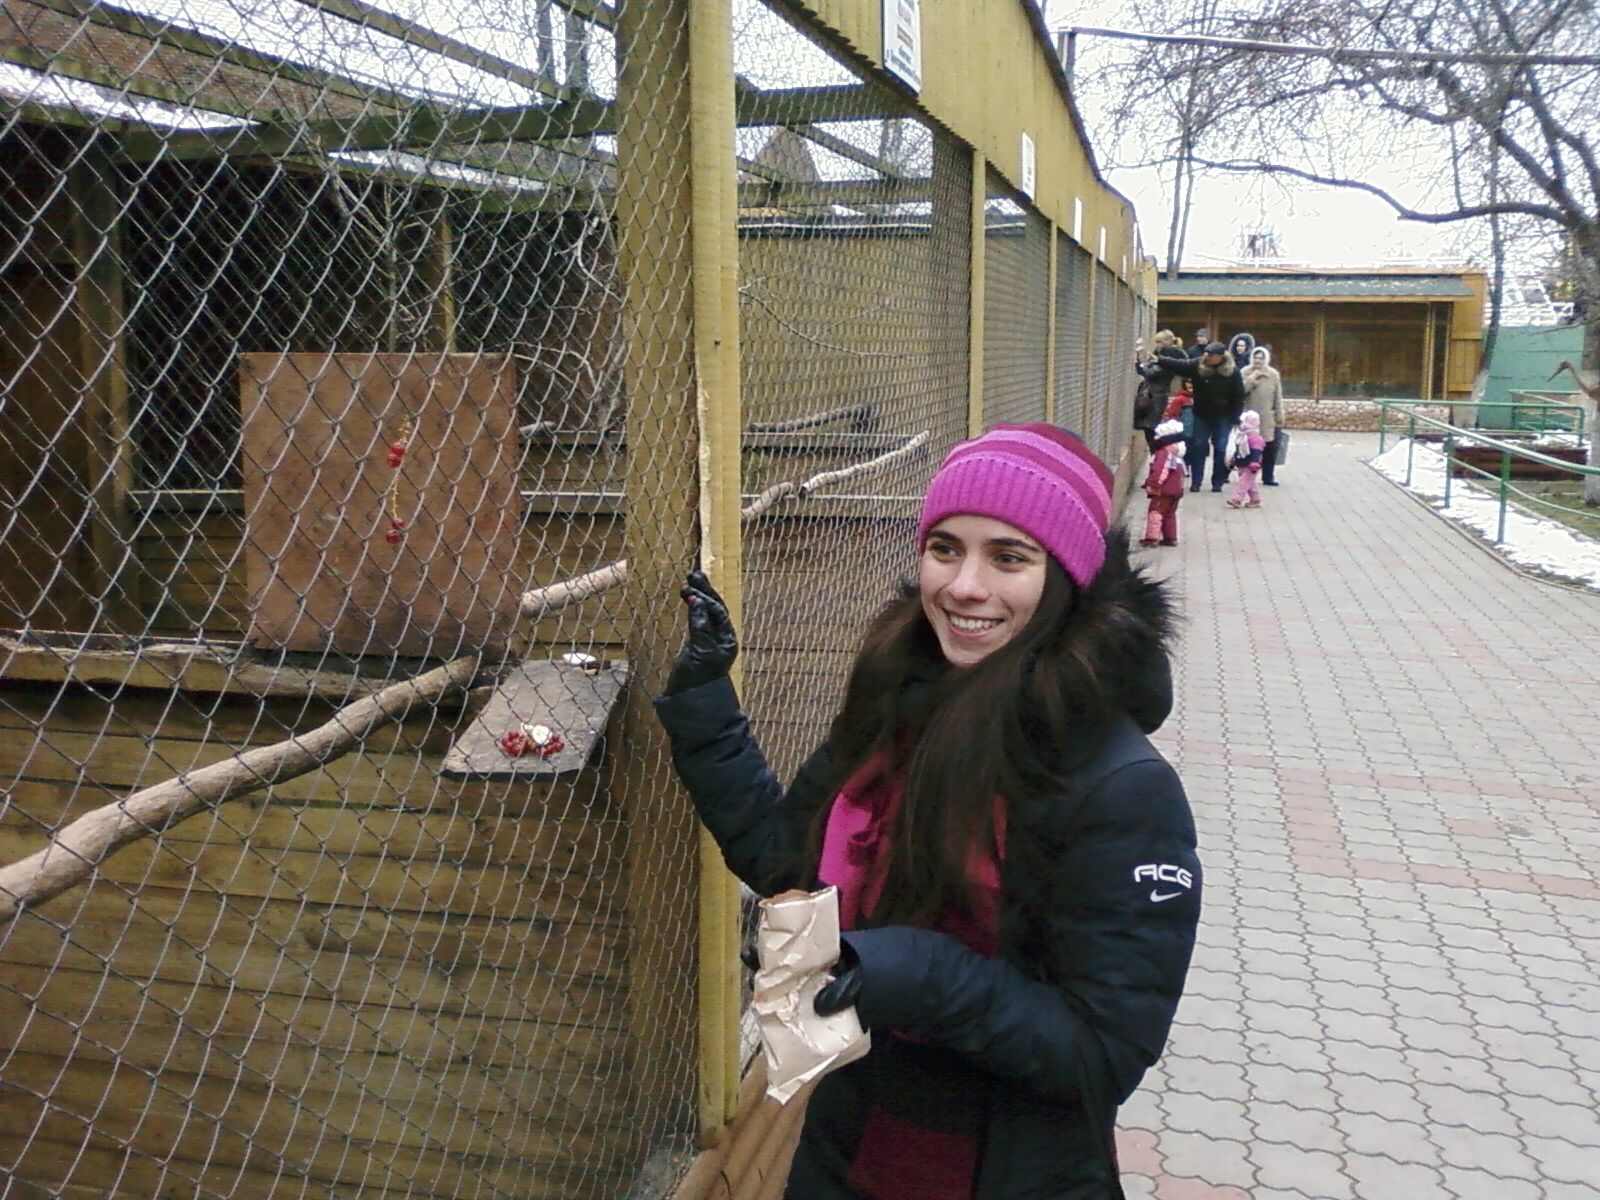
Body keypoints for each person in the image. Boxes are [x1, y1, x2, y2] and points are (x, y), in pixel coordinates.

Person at [654, 423, 1200, 1200]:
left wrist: (913, 973)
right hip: (847, 1148)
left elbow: (1101, 1057)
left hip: (1006, 1170)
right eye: (946, 548)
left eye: (1008, 557)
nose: (965, 586)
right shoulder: (900, 707)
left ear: (1066, 578)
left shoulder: (1121, 787)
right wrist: (705, 705)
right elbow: (786, 860)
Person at [1161, 342, 1245, 492]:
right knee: (1198, 447)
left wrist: (1235, 418)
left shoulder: (1232, 372)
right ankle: (1196, 482)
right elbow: (1179, 365)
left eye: (1211, 355)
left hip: (1223, 416)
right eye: (1206, 354)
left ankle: (1217, 482)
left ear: (1220, 356)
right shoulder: (1199, 365)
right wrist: (1159, 360)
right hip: (1201, 414)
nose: (1207, 357)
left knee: (1221, 449)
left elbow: (1239, 396)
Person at [1136, 331, 1192, 446]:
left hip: (1156, 396)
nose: (1157, 345)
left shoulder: (1168, 356)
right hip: (1155, 394)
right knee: (1150, 428)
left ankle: (1157, 453)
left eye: (1159, 342)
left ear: (1167, 342)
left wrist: (1141, 362)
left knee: (1152, 428)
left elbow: (1150, 373)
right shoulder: (1162, 355)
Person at [1142, 418, 1187, 547]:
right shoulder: (1177, 457)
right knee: (1170, 513)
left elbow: (1160, 471)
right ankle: (1170, 537)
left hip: (1164, 490)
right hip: (1177, 489)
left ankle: (1152, 538)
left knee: (1155, 512)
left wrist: (1154, 485)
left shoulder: (1162, 454)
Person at [1244, 346, 1285, 486]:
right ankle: (1244, 476)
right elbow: (1240, 392)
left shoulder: (1273, 374)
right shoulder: (1245, 372)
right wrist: (1251, 379)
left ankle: (1268, 477)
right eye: (1255, 357)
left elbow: (1277, 397)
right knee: (1247, 448)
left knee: (1270, 448)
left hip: (1267, 418)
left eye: (1261, 358)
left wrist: (1279, 416)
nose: (1258, 361)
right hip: (1249, 419)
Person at [1226, 409, 1266, 508]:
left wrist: (1255, 462)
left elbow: (1256, 451)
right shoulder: (1244, 436)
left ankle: (1237, 499)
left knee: (1243, 482)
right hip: (1243, 463)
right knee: (1249, 483)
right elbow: (1239, 449)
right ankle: (1255, 499)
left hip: (1251, 465)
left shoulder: (1254, 438)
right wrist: (1234, 458)